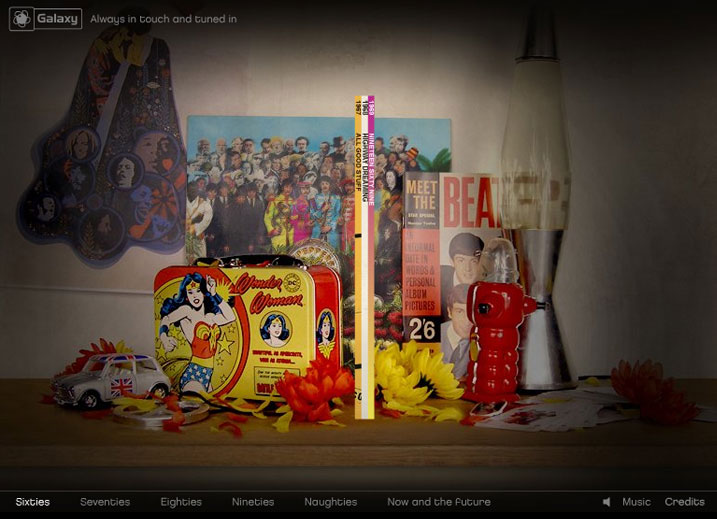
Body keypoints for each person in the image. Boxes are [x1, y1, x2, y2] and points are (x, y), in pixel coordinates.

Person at [159, 273, 236, 392]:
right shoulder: (187, 312)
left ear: (204, 293)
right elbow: (166, 319)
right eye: (190, 292)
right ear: (186, 296)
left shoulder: (210, 317)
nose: (195, 295)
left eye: (198, 291)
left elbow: (230, 317)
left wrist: (214, 293)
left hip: (208, 375)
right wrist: (164, 338)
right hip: (194, 374)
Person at [440, 233, 485, 318]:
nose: (468, 268)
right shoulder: (437, 280)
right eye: (461, 261)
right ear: (452, 261)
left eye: (473, 261)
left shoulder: (488, 284)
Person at [440, 284, 473, 379]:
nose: (467, 320)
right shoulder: (435, 334)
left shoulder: (482, 339)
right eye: (460, 311)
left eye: (471, 312)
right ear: (449, 312)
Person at [185, 181, 213, 263]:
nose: (192, 193)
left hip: (198, 237)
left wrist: (193, 228)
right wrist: (193, 221)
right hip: (184, 240)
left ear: (198, 191)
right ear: (187, 191)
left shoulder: (205, 205)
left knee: (200, 262)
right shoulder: (181, 203)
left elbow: (206, 221)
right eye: (190, 190)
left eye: (194, 191)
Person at [310, 176, 341, 248]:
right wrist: (322, 210)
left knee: (333, 251)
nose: (324, 185)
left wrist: (330, 226)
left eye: (327, 183)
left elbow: (338, 214)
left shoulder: (336, 198)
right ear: (320, 185)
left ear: (330, 185)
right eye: (322, 184)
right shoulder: (314, 199)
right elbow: (312, 216)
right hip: (318, 230)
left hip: (332, 231)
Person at [264, 179, 295, 251]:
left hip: (291, 236)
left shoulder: (293, 201)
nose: (288, 189)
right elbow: (267, 218)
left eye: (290, 187)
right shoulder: (274, 200)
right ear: (282, 187)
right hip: (278, 235)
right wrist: (272, 230)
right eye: (286, 187)